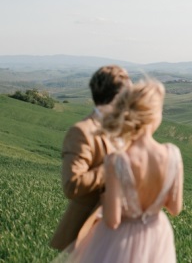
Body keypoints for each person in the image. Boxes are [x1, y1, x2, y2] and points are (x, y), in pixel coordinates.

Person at [61, 78, 184, 262]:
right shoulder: (173, 154)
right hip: (157, 233)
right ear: (153, 116)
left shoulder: (117, 160)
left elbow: (112, 220)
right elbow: (175, 208)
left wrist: (103, 197)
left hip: (121, 240)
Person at [50, 65, 132, 251]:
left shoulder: (123, 130)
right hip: (87, 233)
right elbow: (72, 185)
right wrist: (110, 168)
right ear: (117, 96)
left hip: (119, 230)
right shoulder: (81, 132)